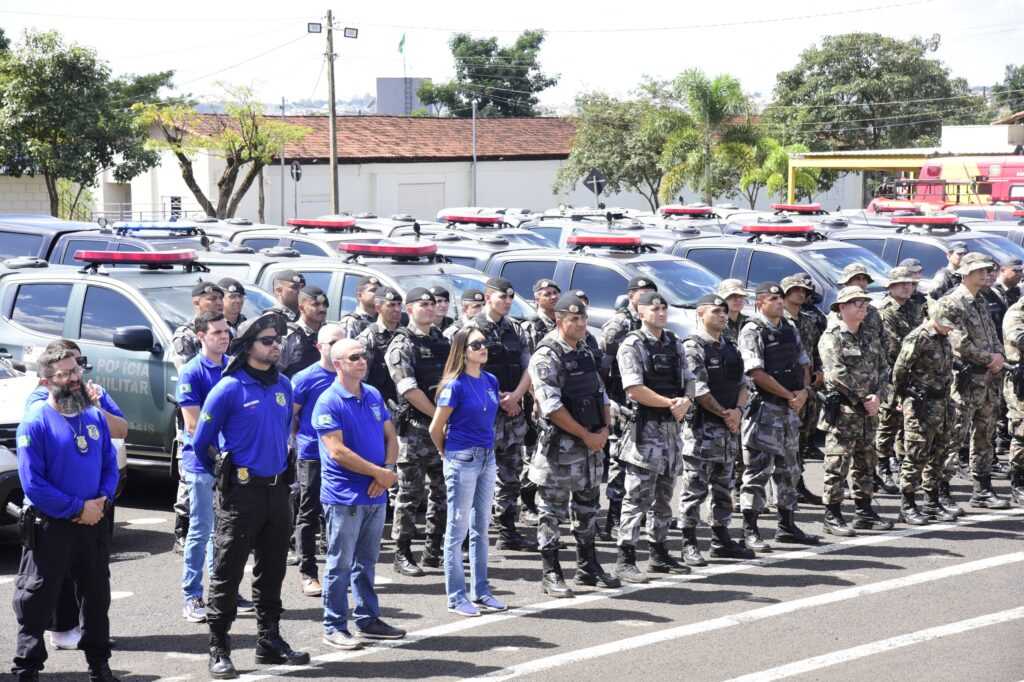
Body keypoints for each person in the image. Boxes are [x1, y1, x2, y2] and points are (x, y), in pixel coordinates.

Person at [192, 312, 309, 679]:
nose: (276, 346)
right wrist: (227, 476)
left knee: (272, 570)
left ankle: (269, 641)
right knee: (227, 572)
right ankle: (218, 647)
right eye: (268, 341)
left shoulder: (283, 385)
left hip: (277, 492)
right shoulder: (228, 388)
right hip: (241, 495)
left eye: (278, 341)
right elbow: (201, 444)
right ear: (248, 347)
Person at [13, 344, 119, 682]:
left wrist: (100, 501)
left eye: (76, 371)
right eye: (65, 374)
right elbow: (34, 484)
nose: (74, 379)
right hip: (52, 527)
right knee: (37, 598)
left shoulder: (94, 417)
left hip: (93, 525)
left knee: (97, 597)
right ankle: (27, 669)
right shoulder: (35, 422)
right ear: (46, 382)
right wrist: (77, 509)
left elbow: (109, 465)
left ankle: (100, 666)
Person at [314, 338, 406, 649]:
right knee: (340, 564)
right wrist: (378, 473)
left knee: (366, 561)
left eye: (363, 356)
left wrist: (388, 469)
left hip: (375, 492)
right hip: (345, 496)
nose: (362, 361)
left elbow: (390, 436)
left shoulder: (374, 394)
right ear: (338, 364)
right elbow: (337, 451)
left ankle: (368, 619)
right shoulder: (328, 401)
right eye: (354, 357)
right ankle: (334, 625)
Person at [529, 292, 619, 598]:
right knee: (551, 512)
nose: (581, 324)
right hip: (561, 449)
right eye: (574, 319)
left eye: (583, 318)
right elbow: (551, 406)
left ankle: (587, 565)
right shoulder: (546, 355)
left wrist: (604, 429)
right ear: (559, 319)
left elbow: (600, 393)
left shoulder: (585, 350)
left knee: (588, 508)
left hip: (590, 446)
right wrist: (586, 434)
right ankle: (551, 571)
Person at [613, 290, 693, 583]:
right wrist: (671, 403)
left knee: (664, 497)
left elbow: (690, 379)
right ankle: (625, 557)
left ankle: (658, 552)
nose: (661, 312)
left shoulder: (673, 342)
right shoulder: (632, 344)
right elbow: (634, 389)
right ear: (640, 312)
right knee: (636, 497)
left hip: (671, 431)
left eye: (664, 308)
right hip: (644, 433)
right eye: (655, 308)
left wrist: (687, 400)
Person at [428, 327, 507, 617]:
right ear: (463, 350)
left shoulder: (490, 379)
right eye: (476, 344)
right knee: (457, 529)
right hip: (462, 458)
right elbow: (436, 428)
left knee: (481, 528)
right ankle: (457, 596)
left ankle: (482, 591)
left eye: (485, 343)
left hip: (487, 457)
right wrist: (445, 452)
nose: (483, 347)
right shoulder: (454, 385)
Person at [737, 282, 819, 551]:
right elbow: (756, 372)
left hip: (789, 409)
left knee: (789, 469)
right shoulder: (752, 330)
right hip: (765, 409)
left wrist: (804, 391)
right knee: (758, 472)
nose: (780, 303)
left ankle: (787, 525)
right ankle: (750, 529)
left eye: (781, 298)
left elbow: (803, 361)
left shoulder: (789, 327)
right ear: (760, 303)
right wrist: (788, 395)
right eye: (773, 299)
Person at [680, 294, 754, 565]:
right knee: (694, 489)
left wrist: (738, 412)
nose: (723, 315)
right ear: (701, 313)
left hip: (728, 430)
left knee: (724, 487)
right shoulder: (693, 347)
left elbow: (744, 384)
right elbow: (697, 389)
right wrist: (725, 414)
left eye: (725, 311)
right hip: (703, 431)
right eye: (716, 311)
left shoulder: (730, 346)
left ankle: (720, 537)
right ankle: (688, 541)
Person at [937, 252, 1010, 510]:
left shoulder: (980, 300)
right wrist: (988, 358)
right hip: (966, 379)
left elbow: (992, 333)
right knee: (955, 434)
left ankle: (982, 487)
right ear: (965, 272)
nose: (986, 274)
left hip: (988, 378)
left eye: (987, 269)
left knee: (985, 433)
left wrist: (998, 355)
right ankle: (940, 490)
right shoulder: (953, 301)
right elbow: (956, 341)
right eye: (979, 270)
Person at [818, 286, 893, 536]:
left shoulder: (870, 335)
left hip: (868, 412)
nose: (862, 307)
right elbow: (837, 374)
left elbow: (884, 368)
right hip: (844, 411)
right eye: (855, 303)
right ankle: (833, 514)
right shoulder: (832, 337)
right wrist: (863, 398)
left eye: (864, 303)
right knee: (837, 463)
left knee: (866, 461)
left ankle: (864, 511)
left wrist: (878, 396)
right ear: (841, 308)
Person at [467, 278, 535, 551]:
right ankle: (473, 534)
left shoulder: (516, 329)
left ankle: (507, 530)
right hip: (484, 412)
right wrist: (498, 399)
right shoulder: (472, 329)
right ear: (487, 297)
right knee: (478, 474)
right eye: (502, 297)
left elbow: (529, 367)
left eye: (510, 297)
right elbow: (467, 371)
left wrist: (517, 396)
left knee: (511, 473)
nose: (507, 301)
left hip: (513, 409)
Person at [386, 288, 451, 576]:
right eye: (423, 304)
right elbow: (409, 390)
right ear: (409, 309)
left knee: (443, 492)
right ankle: (402, 552)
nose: (430, 308)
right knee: (410, 495)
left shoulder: (441, 341)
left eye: (433, 304)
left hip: (442, 429)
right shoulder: (401, 344)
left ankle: (434, 551)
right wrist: (439, 417)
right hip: (415, 430)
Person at [177, 313, 232, 624]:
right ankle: (192, 595)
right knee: (201, 530)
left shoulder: (233, 365)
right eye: (216, 332)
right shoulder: (192, 371)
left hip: (231, 462)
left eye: (226, 331)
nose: (223, 336)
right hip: (202, 462)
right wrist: (220, 455)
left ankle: (222, 590)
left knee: (225, 532)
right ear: (201, 336)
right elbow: (194, 424)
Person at [599, 276, 658, 540]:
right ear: (632, 295)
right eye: (643, 293)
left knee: (644, 461)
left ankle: (637, 515)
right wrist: (607, 401)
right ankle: (612, 519)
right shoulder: (619, 325)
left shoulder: (651, 324)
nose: (648, 298)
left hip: (646, 401)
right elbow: (603, 367)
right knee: (620, 463)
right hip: (621, 403)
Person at [291, 323, 345, 597]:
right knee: (308, 513)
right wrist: (294, 445)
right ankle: (308, 572)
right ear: (319, 347)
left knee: (339, 513)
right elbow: (291, 416)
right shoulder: (304, 378)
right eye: (332, 342)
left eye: (342, 341)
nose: (338, 346)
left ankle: (338, 570)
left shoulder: (351, 376)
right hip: (312, 454)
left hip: (343, 455)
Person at [891, 307, 959, 524]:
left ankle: (931, 502)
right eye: (947, 322)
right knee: (916, 453)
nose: (950, 328)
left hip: (942, 402)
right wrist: (903, 398)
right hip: (922, 404)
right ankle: (908, 505)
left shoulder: (943, 337)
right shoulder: (918, 337)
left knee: (939, 452)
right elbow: (899, 371)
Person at [875, 266, 926, 495]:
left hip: (912, 372)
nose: (908, 287)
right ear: (891, 286)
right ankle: (882, 467)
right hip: (891, 374)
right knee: (888, 423)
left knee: (906, 422)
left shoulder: (914, 307)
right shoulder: (886, 311)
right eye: (902, 283)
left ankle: (900, 464)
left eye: (910, 283)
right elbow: (894, 347)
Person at [780, 274, 824, 505]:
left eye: (804, 290)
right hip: (788, 389)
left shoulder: (808, 320)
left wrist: (821, 371)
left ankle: (798, 483)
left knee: (803, 439)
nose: (801, 293)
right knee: (785, 441)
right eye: (795, 289)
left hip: (808, 387)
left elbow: (816, 349)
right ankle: (786, 487)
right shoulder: (780, 322)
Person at [356, 286, 404, 410]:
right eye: (391, 305)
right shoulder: (368, 338)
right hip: (379, 406)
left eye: (399, 304)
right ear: (378, 307)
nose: (397, 309)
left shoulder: (406, 334)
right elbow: (359, 380)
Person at [1001, 293, 1024, 506]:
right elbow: (1020, 339)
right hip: (1020, 382)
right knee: (1022, 433)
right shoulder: (1016, 314)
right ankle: (1018, 483)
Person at [279, 286, 329, 378]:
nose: (322, 309)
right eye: (315, 305)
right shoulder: (290, 335)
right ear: (301, 308)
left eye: (325, 304)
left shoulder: (329, 333)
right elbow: (276, 372)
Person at [173, 281, 225, 366]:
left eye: (221, 298)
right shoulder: (186, 335)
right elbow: (187, 374)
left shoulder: (226, 329)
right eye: (212, 299)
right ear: (196, 303)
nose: (219, 303)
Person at [523, 278, 561, 350]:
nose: (553, 297)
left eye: (555, 293)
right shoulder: (531, 327)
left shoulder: (565, 323)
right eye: (547, 295)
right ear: (537, 300)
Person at [718, 279, 750, 344]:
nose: (738, 299)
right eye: (732, 296)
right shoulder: (716, 323)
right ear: (723, 299)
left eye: (741, 296)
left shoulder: (749, 322)